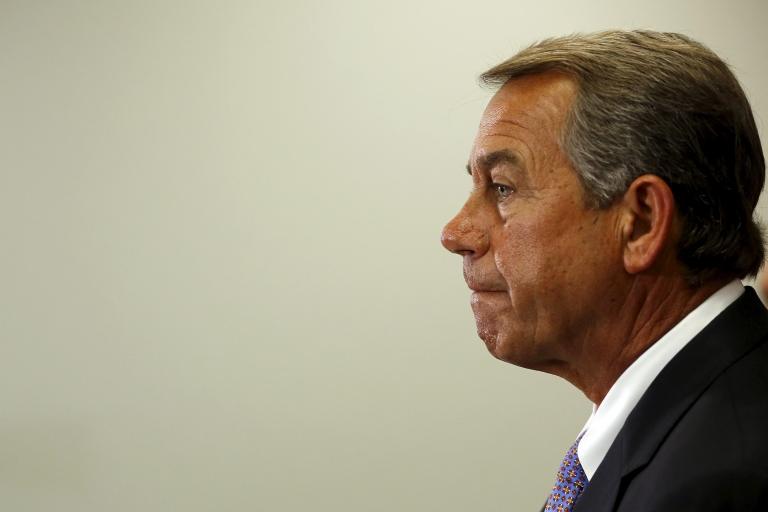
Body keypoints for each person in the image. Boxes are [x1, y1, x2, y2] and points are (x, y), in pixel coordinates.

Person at [440, 30, 768, 511]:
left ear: (641, 223)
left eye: (503, 188)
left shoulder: (719, 484)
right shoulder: (690, 420)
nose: (455, 233)